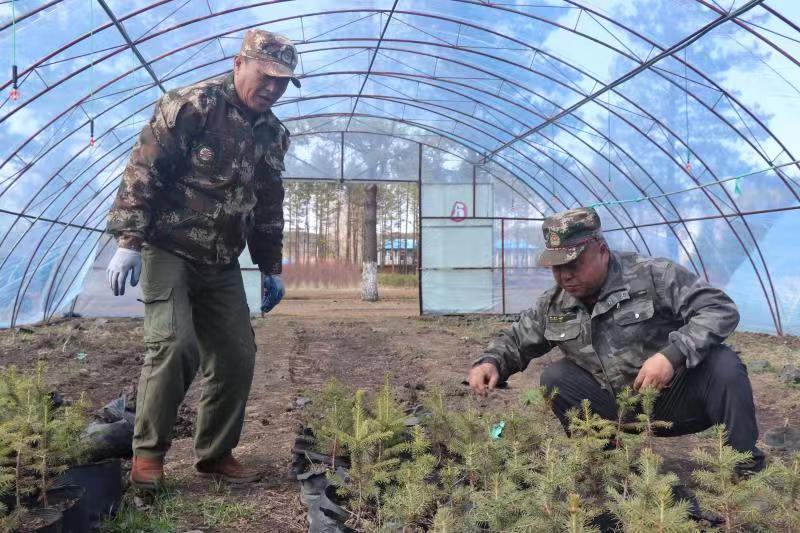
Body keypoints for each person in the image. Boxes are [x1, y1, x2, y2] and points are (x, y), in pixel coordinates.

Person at [104, 29, 300, 489]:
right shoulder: (192, 106)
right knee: (174, 346)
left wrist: (271, 267)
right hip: (168, 249)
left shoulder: (272, 133)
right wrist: (129, 242)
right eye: (265, 76)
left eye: (283, 82)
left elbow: (268, 203)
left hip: (221, 260)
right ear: (239, 64)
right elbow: (144, 169)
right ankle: (148, 456)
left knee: (237, 354)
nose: (272, 88)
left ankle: (215, 453)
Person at [468, 207, 765, 475]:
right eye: (556, 267)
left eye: (574, 263)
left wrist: (672, 355)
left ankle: (743, 467)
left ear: (602, 250)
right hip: (615, 407)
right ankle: (608, 467)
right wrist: (491, 362)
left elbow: (718, 309)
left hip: (677, 400)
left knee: (723, 364)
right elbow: (518, 337)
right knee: (555, 376)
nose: (564, 276)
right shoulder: (554, 304)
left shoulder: (652, 275)